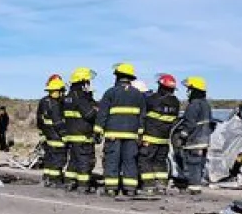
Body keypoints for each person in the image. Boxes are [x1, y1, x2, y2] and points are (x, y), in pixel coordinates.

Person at [95, 62, 147, 197]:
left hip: (113, 135)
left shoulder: (110, 92)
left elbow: (102, 114)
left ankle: (111, 189)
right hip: (131, 136)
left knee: (112, 161)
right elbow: (142, 116)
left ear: (117, 76)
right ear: (131, 78)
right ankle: (130, 188)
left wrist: (98, 131)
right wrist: (140, 134)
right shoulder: (138, 95)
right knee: (130, 161)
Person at [139, 73, 180, 194]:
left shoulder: (153, 99)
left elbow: (143, 110)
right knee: (160, 162)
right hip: (164, 139)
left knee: (145, 161)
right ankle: (161, 185)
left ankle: (148, 186)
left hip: (150, 138)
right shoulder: (176, 103)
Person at [62, 67, 98, 193]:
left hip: (72, 136)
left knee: (73, 161)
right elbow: (89, 114)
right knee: (84, 161)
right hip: (82, 136)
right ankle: (83, 186)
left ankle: (69, 183)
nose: (89, 84)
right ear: (82, 82)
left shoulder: (68, 97)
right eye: (87, 82)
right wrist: (95, 109)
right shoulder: (81, 97)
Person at [179, 76, 212, 194]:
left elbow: (190, 122)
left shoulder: (194, 104)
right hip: (204, 139)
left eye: (190, 89)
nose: (188, 92)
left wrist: (183, 134)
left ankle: (194, 187)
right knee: (199, 163)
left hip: (194, 139)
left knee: (193, 163)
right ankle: (196, 185)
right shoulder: (206, 104)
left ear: (195, 90)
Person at [36, 75, 68, 188]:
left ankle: (47, 178)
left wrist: (43, 133)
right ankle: (56, 181)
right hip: (57, 136)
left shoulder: (43, 101)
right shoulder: (56, 104)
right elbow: (58, 121)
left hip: (48, 135)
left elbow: (39, 120)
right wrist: (64, 135)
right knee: (58, 159)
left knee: (49, 159)